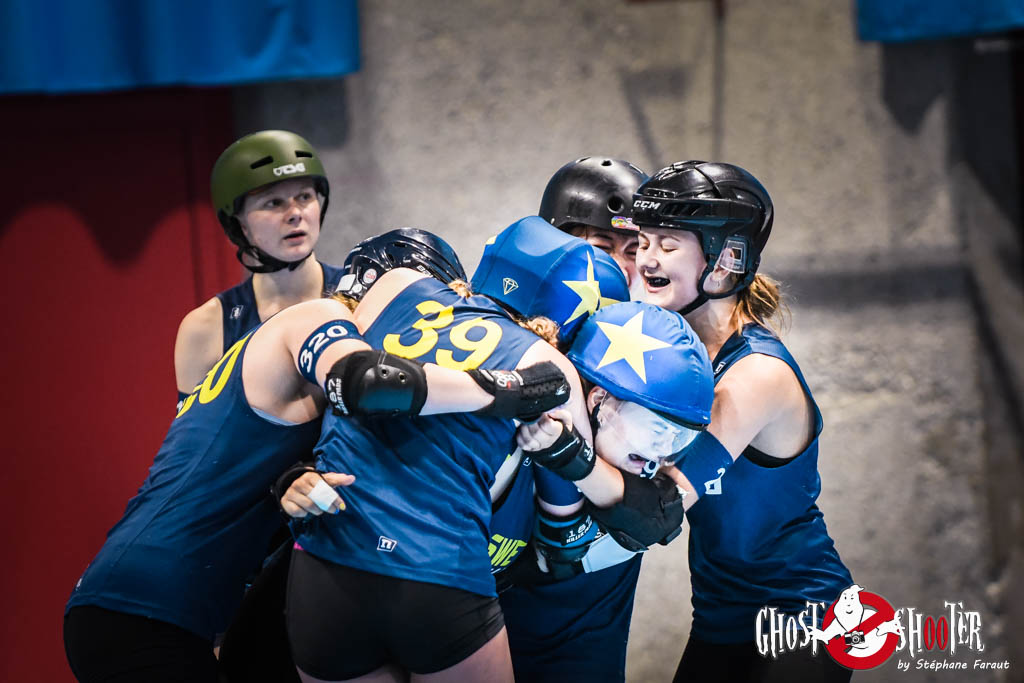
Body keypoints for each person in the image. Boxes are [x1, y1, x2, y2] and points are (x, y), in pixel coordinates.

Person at [63, 252, 567, 683]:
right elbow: (366, 383)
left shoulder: (304, 359)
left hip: (156, 603)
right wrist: (507, 389)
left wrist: (292, 480)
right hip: (145, 606)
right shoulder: (314, 318)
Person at [283, 219, 630, 683]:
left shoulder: (398, 284)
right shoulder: (552, 370)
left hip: (325, 563)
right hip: (440, 573)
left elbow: (339, 386)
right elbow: (563, 529)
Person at [631, 160, 854, 682]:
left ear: (726, 261)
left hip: (801, 618)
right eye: (643, 241)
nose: (646, 258)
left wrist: (560, 450)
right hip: (721, 616)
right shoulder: (681, 359)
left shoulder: (756, 373)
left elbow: (658, 511)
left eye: (668, 243)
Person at [503, 300, 715, 683]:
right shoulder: (516, 429)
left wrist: (569, 456)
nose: (661, 452)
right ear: (599, 399)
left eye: (679, 437)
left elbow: (660, 518)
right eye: (656, 429)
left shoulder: (637, 482)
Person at [175, 129, 346, 403]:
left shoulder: (366, 294)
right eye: (273, 202)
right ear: (238, 223)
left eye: (304, 196)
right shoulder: (206, 328)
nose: (295, 214)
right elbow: (197, 443)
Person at [539, 156, 649, 299]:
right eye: (601, 248)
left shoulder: (646, 320)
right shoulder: (504, 317)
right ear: (552, 247)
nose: (619, 268)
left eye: (633, 252)